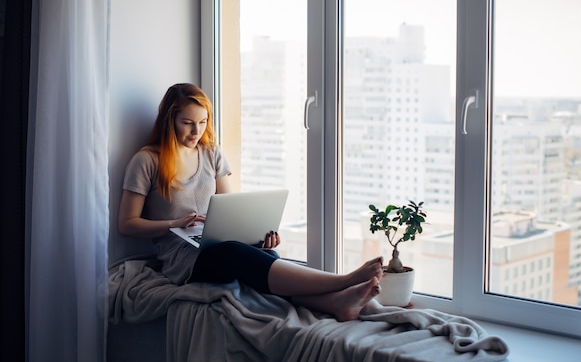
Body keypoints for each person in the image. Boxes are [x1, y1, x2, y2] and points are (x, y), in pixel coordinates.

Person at [118, 83, 383, 321]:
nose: (196, 131)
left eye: (202, 122)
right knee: (235, 254)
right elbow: (127, 224)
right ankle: (344, 281)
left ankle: (335, 303)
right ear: (169, 120)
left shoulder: (211, 154)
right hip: (183, 259)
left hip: (216, 243)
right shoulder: (147, 160)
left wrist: (257, 235)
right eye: (187, 122)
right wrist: (174, 223)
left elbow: (230, 211)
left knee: (266, 254)